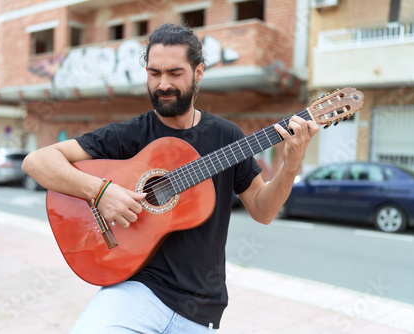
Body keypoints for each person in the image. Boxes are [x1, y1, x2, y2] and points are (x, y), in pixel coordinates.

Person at [22, 23, 319, 333]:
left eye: (175, 73)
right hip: (137, 290)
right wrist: (100, 191)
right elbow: (37, 161)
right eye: (154, 73)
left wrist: (291, 163)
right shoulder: (132, 133)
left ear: (199, 72)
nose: (163, 84)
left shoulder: (227, 137)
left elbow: (263, 211)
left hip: (201, 306)